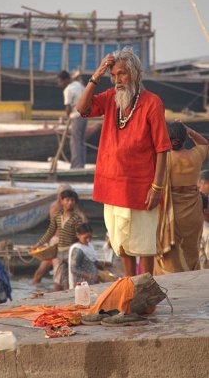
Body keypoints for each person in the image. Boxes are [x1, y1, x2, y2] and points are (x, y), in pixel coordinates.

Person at [76, 47, 171, 276]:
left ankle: (146, 297)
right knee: (123, 247)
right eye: (113, 75)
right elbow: (82, 108)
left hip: (141, 188)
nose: (117, 80)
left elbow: (162, 148)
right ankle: (130, 293)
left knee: (145, 248)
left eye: (122, 74)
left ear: (135, 74)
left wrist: (157, 188)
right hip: (113, 188)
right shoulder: (110, 97)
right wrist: (95, 77)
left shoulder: (152, 102)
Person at [155, 122, 208, 274]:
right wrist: (190, 131)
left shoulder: (163, 159)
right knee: (190, 249)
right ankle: (189, 277)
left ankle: (173, 282)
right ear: (185, 139)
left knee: (171, 254)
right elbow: (205, 143)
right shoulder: (196, 155)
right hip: (193, 209)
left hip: (172, 211)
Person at [33, 189, 83, 290]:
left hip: (71, 251)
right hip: (59, 251)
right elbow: (50, 232)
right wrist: (39, 244)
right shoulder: (57, 216)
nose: (70, 203)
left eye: (72, 200)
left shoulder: (76, 218)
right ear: (62, 201)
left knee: (72, 276)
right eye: (67, 200)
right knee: (60, 276)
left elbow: (81, 235)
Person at [57, 70, 87, 169]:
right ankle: (81, 164)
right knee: (81, 141)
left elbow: (68, 108)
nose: (59, 83)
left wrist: (68, 116)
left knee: (75, 142)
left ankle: (76, 165)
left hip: (77, 117)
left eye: (60, 81)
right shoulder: (78, 84)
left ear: (65, 80)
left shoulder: (68, 90)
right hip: (85, 115)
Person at [68, 223, 100, 289]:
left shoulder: (89, 246)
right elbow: (74, 269)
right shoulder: (77, 249)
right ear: (78, 235)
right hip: (81, 284)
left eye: (90, 237)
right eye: (85, 238)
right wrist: (90, 276)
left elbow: (93, 261)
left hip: (92, 282)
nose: (88, 240)